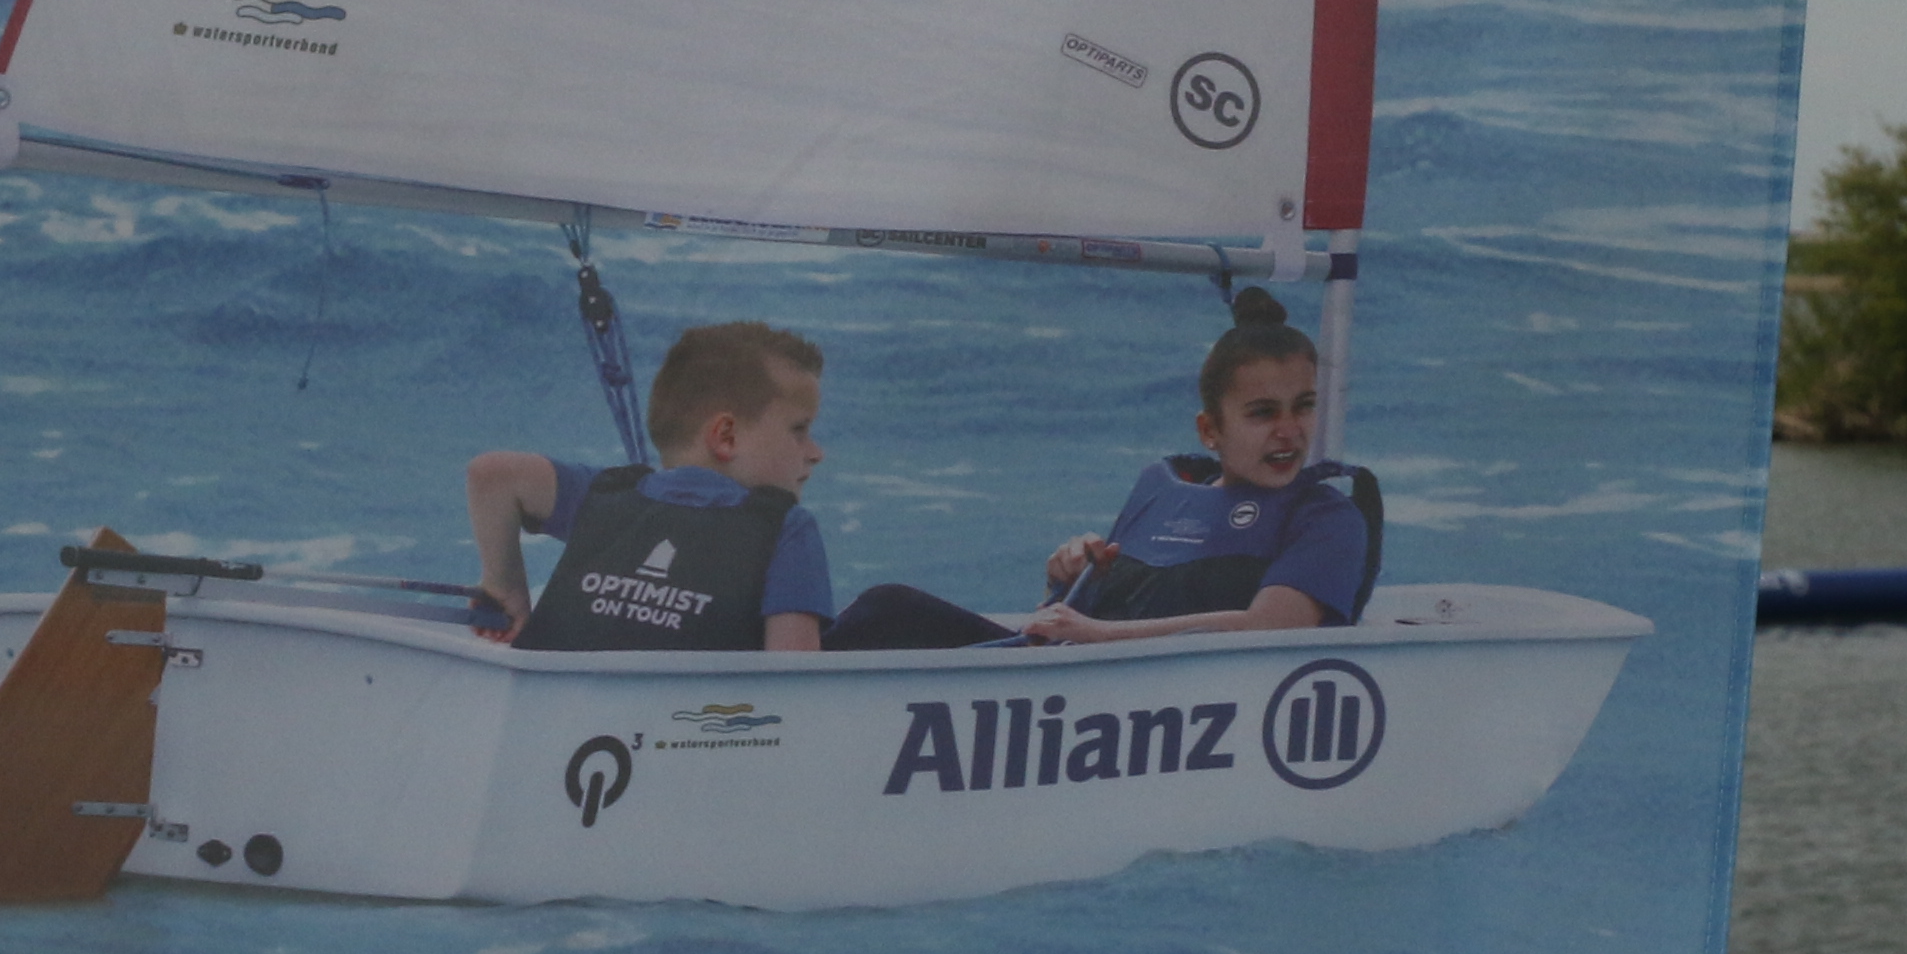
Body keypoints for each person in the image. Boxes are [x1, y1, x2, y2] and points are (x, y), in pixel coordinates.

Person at [825, 286, 1375, 651]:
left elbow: (1272, 628)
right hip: (1070, 692)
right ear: (1210, 431)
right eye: (1263, 413)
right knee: (884, 611)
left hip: (1145, 711)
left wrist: (1099, 636)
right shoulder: (1163, 492)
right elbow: (1066, 625)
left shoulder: (1325, 519)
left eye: (1303, 406)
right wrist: (1063, 587)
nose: (1289, 430)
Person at [466, 318, 833, 652]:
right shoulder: (785, 529)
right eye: (799, 430)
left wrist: (505, 588)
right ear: (726, 436)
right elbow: (792, 678)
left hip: (552, 694)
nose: (815, 453)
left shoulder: (604, 493)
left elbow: (491, 474)